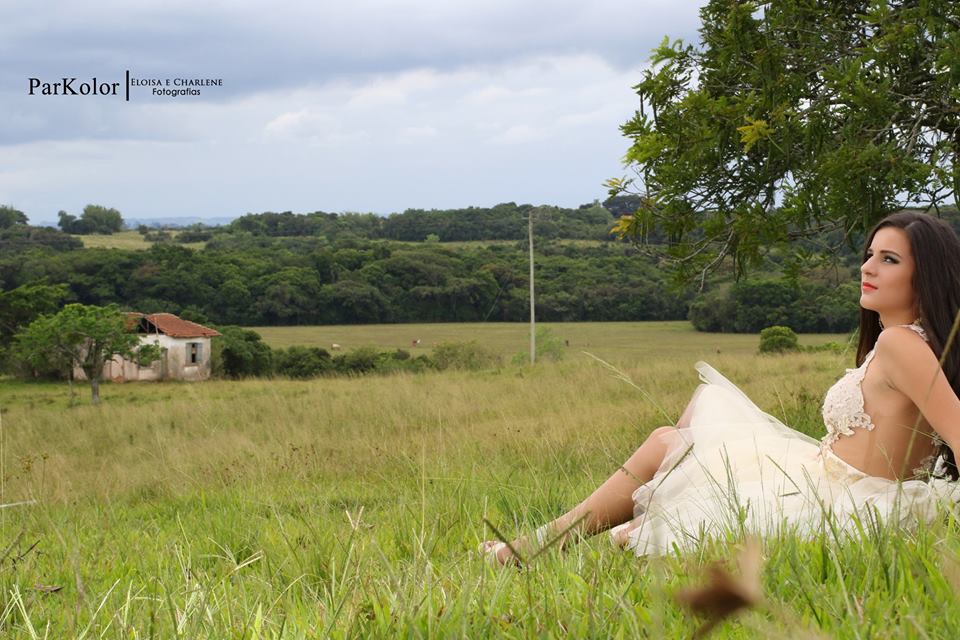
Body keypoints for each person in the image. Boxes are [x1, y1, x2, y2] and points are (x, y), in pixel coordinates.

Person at [481, 210, 960, 564]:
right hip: (823, 478)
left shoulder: (902, 344)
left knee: (666, 486)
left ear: (926, 274)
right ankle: (546, 545)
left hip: (851, 503)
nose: (867, 267)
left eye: (889, 259)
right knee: (674, 443)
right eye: (868, 255)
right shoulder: (895, 343)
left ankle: (533, 549)